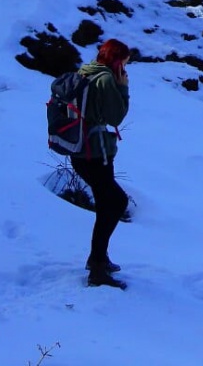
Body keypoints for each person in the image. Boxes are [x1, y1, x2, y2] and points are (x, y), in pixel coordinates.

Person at [74, 38, 132, 288]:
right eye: (124, 64)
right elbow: (116, 116)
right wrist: (123, 88)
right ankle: (97, 269)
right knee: (116, 202)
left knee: (106, 204)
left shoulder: (85, 70)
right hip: (95, 153)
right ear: (117, 62)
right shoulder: (106, 79)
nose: (125, 69)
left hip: (81, 150)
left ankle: (98, 259)